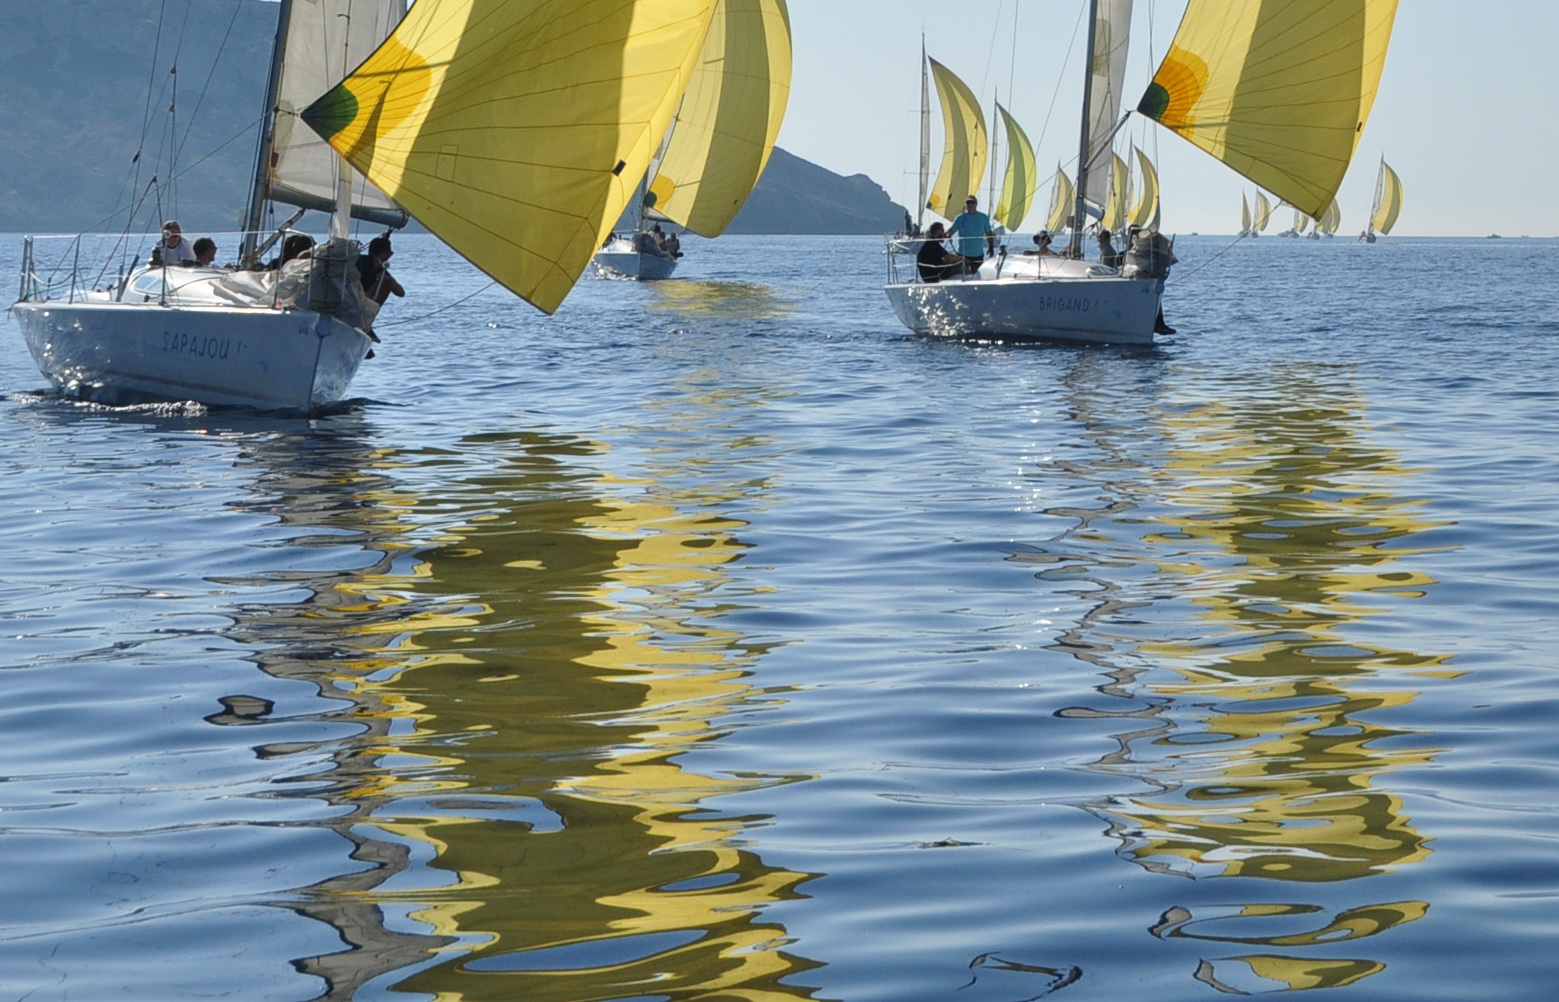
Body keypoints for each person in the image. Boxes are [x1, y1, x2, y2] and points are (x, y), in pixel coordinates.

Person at [947, 195, 995, 275]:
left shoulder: (983, 217)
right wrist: (947, 235)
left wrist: (991, 247)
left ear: (976, 204)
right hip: (962, 254)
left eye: (972, 202)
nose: (970, 204)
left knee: (976, 276)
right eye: (968, 202)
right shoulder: (960, 218)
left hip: (978, 254)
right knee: (962, 276)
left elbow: (988, 233)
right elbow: (951, 231)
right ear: (965, 205)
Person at [356, 234, 405, 306]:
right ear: (383, 254)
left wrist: (389, 280)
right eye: (390, 254)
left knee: (387, 282)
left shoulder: (381, 270)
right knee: (385, 282)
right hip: (355, 300)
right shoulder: (359, 263)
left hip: (359, 302)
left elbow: (401, 293)